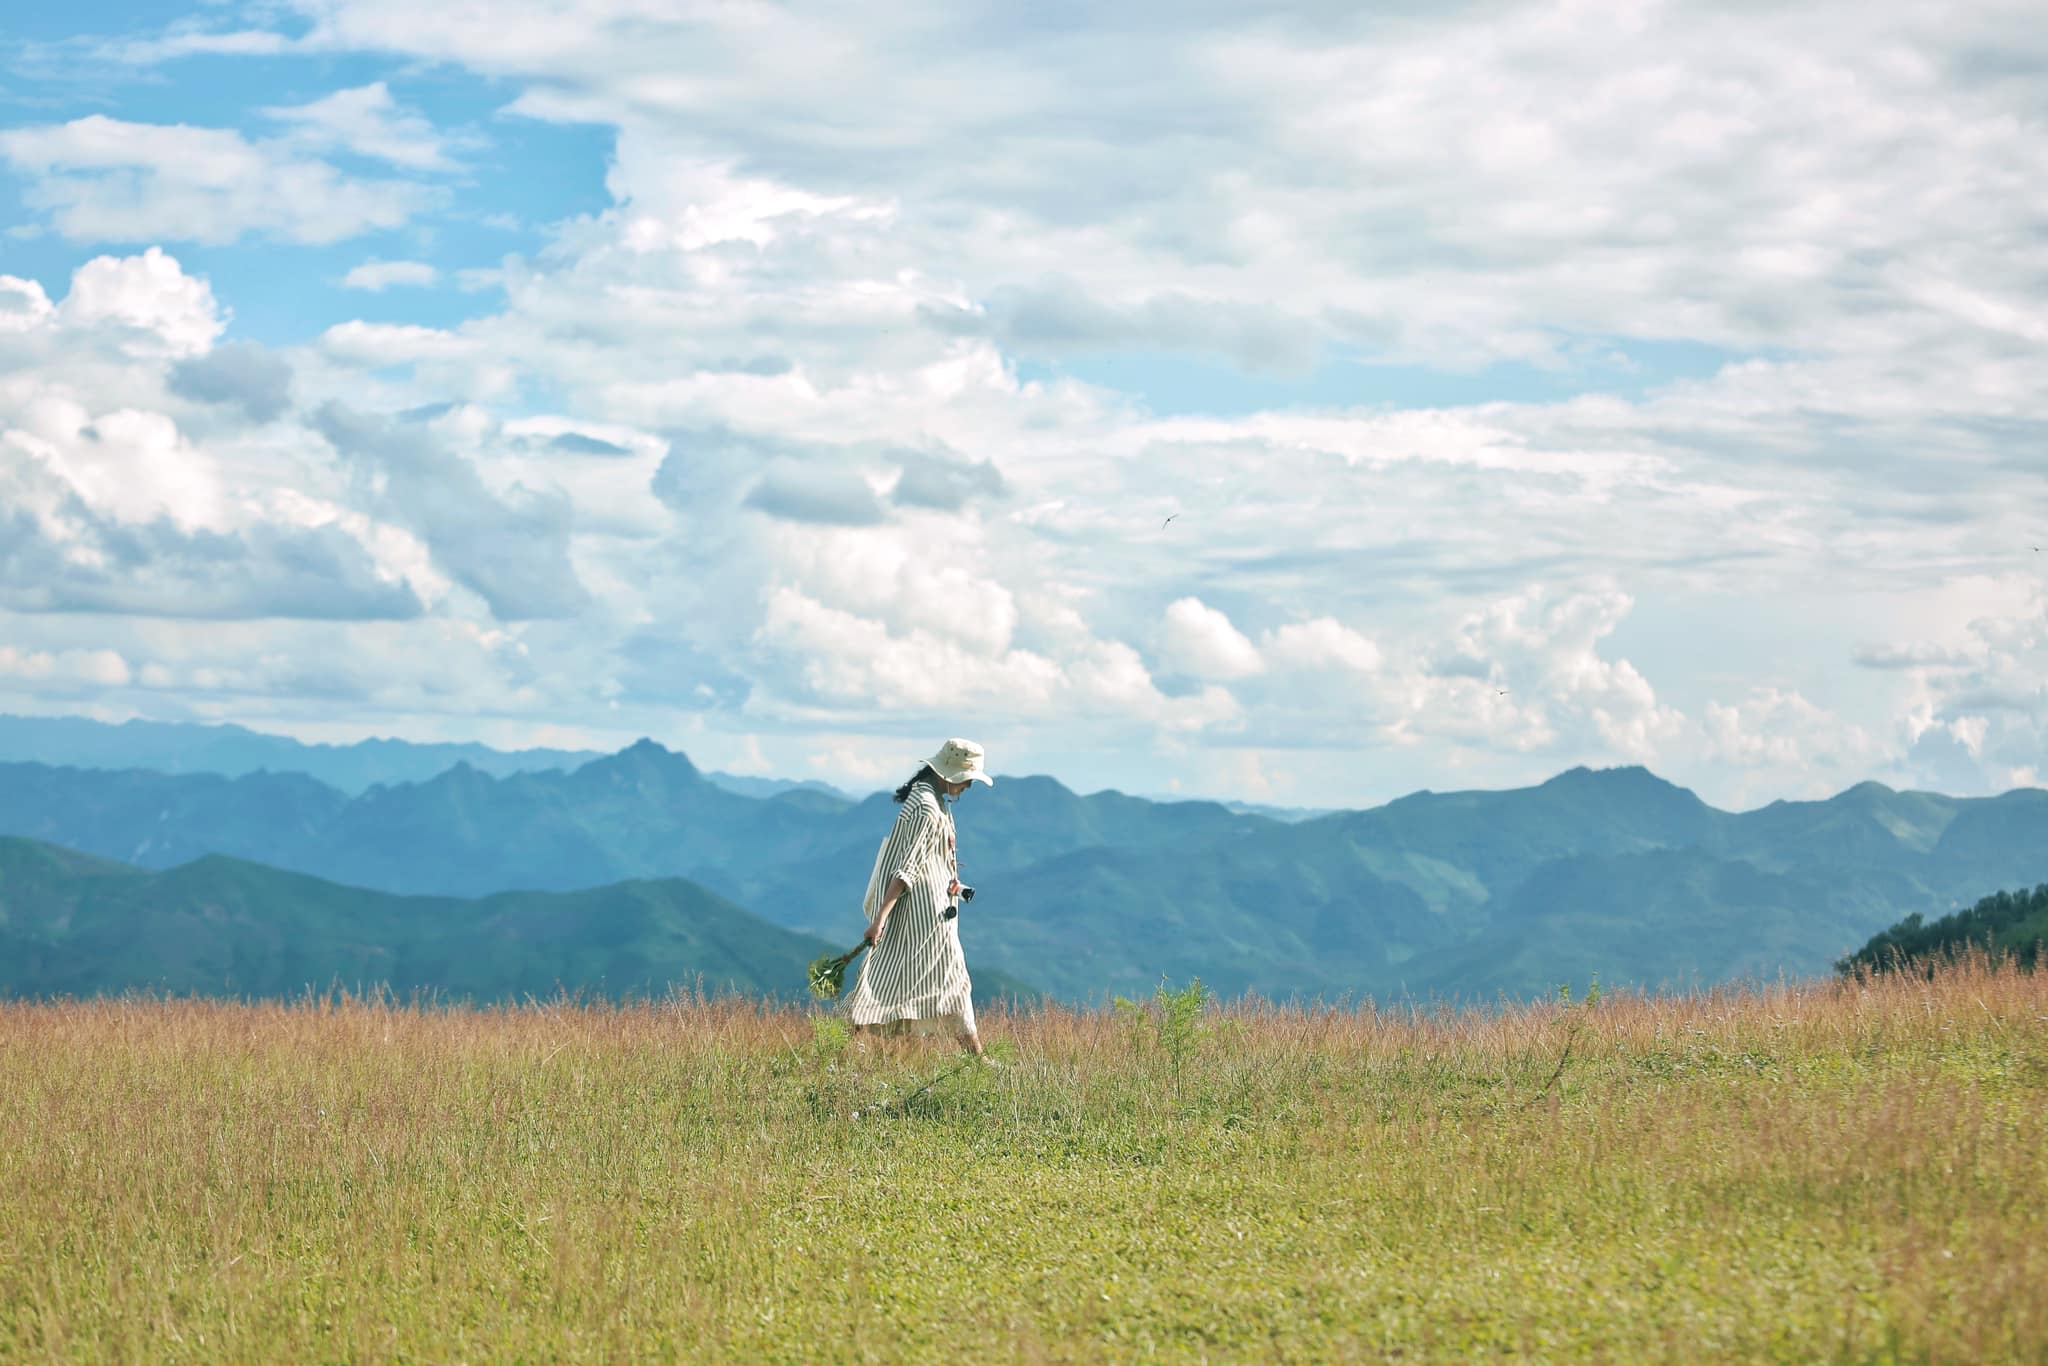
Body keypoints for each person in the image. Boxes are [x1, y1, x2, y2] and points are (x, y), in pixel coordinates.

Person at [841, 737, 993, 1057]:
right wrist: (881, 917)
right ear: (952, 773)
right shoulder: (926, 806)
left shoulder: (929, 797)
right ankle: (977, 1059)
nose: (969, 787)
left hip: (928, 912)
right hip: (923, 917)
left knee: (888, 976)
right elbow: (907, 867)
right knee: (951, 980)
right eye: (968, 779)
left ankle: (846, 1046)